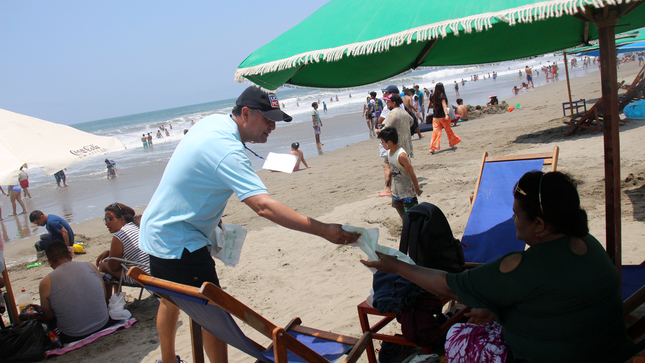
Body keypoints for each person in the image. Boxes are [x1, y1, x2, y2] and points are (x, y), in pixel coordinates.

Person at [138, 86, 359, 363]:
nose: (272, 127)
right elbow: (263, 206)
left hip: (155, 231)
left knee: (171, 299)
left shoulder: (213, 122)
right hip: (181, 243)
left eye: (275, 121)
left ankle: (168, 360)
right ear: (245, 114)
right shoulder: (228, 151)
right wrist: (324, 230)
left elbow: (194, 173)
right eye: (267, 120)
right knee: (213, 314)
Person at [362, 171, 637, 363]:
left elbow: (448, 284)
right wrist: (497, 310)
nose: (513, 219)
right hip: (614, 352)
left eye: (517, 214)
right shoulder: (587, 243)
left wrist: (397, 267)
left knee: (459, 336)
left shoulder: (523, 265)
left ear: (539, 225)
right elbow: (557, 301)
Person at [39, 240, 116, 344]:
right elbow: (104, 295)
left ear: (49, 262)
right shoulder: (90, 266)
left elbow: (48, 315)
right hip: (103, 323)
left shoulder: (46, 283)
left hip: (73, 335)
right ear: (70, 254)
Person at [96, 203, 150, 285]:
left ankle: (108, 298)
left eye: (110, 219)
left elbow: (113, 267)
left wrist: (110, 256)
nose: (107, 223)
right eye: (106, 220)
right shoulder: (136, 226)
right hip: (152, 272)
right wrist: (110, 252)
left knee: (103, 266)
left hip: (140, 278)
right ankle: (116, 295)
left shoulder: (119, 236)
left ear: (122, 219)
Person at [377, 127, 422, 220]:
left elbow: (411, 172)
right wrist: (388, 180)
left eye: (382, 141)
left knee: (412, 212)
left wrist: (417, 188)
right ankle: (405, 223)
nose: (381, 144)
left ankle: (413, 227)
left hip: (407, 190)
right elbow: (391, 168)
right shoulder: (389, 152)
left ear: (389, 142)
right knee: (397, 205)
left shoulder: (401, 155)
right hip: (397, 189)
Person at [429, 83, 461, 154]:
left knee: (436, 132)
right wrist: (446, 114)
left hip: (435, 117)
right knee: (448, 130)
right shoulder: (442, 96)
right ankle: (452, 144)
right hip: (443, 116)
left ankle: (432, 148)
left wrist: (435, 107)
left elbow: (430, 105)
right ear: (442, 88)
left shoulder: (432, 96)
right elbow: (444, 106)